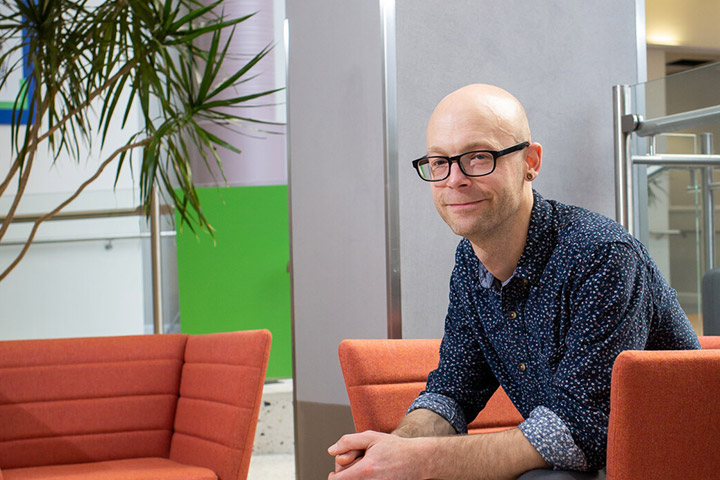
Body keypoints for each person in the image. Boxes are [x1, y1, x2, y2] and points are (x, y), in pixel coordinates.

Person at [327, 84, 701, 479]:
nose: (454, 179)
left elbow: (580, 431)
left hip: (673, 463)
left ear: (530, 162)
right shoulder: (471, 263)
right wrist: (395, 448)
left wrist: (420, 462)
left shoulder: (601, 255)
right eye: (439, 162)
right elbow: (452, 392)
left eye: (478, 157)